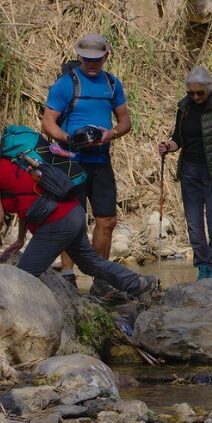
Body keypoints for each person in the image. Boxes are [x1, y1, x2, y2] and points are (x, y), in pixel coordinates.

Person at [0, 133, 157, 301]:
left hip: (57, 223)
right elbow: (26, 200)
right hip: (73, 212)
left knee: (23, 277)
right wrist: (20, 239)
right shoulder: (12, 161)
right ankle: (139, 284)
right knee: (90, 264)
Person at [42, 33, 130, 262]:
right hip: (70, 161)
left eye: (97, 59)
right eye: (86, 59)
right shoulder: (66, 84)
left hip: (100, 160)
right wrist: (67, 138)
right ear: (79, 56)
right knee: (72, 220)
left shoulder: (112, 84)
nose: (91, 63)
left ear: (106, 57)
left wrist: (111, 134)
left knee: (107, 220)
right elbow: (47, 122)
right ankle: (69, 275)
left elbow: (125, 122)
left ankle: (100, 275)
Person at [158, 66, 212, 281]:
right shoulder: (184, 108)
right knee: (194, 224)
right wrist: (169, 146)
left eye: (199, 93)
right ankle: (202, 265)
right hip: (190, 170)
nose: (195, 97)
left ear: (208, 88)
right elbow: (178, 139)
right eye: (191, 93)